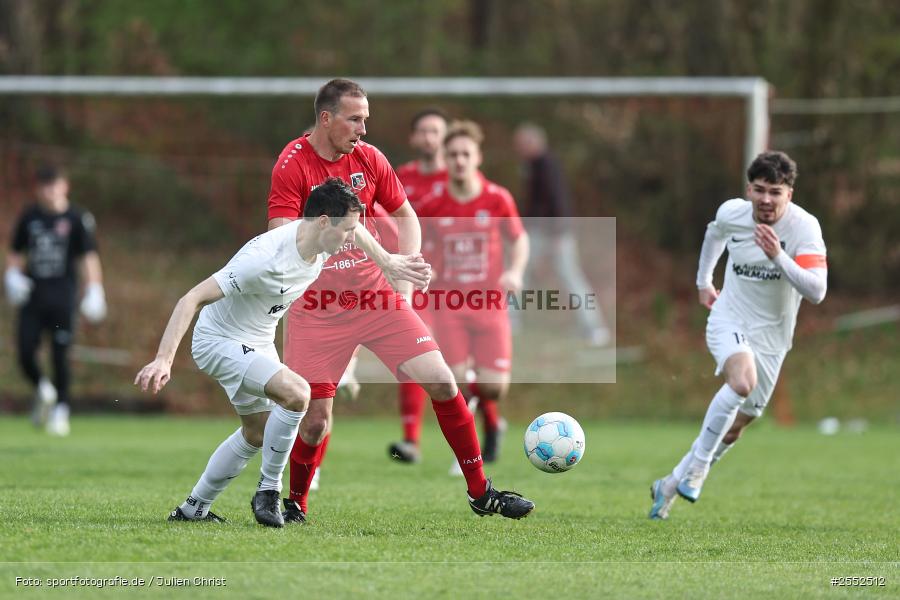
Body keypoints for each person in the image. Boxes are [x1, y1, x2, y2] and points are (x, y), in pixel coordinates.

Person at [267, 78, 534, 524]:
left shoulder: (369, 159)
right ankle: (296, 502)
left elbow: (406, 217)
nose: (364, 130)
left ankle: (481, 491)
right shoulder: (292, 163)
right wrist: (334, 233)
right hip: (317, 307)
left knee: (443, 383)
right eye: (355, 119)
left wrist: (403, 276)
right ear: (326, 118)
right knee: (314, 421)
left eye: (366, 120)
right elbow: (278, 236)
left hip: (376, 299)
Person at [134, 178, 429, 527]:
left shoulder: (320, 242)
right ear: (323, 222)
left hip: (257, 339)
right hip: (218, 340)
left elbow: (358, 233)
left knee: (256, 433)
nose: (353, 238)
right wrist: (164, 359)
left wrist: (390, 263)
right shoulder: (265, 260)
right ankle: (269, 490)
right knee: (297, 394)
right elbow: (191, 299)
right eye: (347, 230)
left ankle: (193, 508)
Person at [649, 151, 827, 520]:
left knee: (734, 430)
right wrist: (703, 282)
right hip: (728, 317)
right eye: (759, 190)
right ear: (749, 189)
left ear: (789, 194)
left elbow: (817, 291)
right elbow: (714, 233)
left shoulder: (804, 229)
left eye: (775, 192)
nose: (765, 199)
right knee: (742, 382)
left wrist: (778, 256)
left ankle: (668, 484)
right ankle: (698, 468)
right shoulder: (733, 213)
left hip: (773, 337)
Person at [418, 120, 529, 466]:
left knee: (493, 387)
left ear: (478, 156)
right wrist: (426, 267)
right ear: (445, 159)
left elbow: (519, 238)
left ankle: (492, 423)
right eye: (452, 155)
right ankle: (469, 451)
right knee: (455, 382)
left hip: (490, 305)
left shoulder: (497, 198)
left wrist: (514, 271)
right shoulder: (433, 203)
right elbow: (419, 243)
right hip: (449, 305)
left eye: (466, 153)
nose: (459, 160)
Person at [5, 164, 107, 436]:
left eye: (54, 185)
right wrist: (12, 275)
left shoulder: (76, 218)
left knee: (60, 355)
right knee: (25, 351)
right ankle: (43, 389)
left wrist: (95, 288)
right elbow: (15, 251)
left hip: (63, 299)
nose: (49, 191)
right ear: (38, 189)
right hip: (33, 298)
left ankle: (61, 409)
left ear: (65, 186)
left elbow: (88, 257)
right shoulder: (29, 217)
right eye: (44, 186)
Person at [385, 107, 449, 464]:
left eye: (435, 131)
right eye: (422, 131)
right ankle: (411, 440)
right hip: (414, 279)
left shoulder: (459, 176)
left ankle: (489, 421)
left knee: (467, 364)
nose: (429, 138)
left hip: (455, 284)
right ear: (413, 138)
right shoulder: (399, 178)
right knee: (412, 355)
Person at [512, 122, 610, 346]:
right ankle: (510, 320)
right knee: (520, 272)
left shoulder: (547, 165)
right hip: (538, 231)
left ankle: (594, 328)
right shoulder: (534, 165)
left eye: (520, 143)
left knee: (568, 277)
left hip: (552, 233)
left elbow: (559, 201)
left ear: (532, 142)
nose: (518, 148)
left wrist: (558, 234)